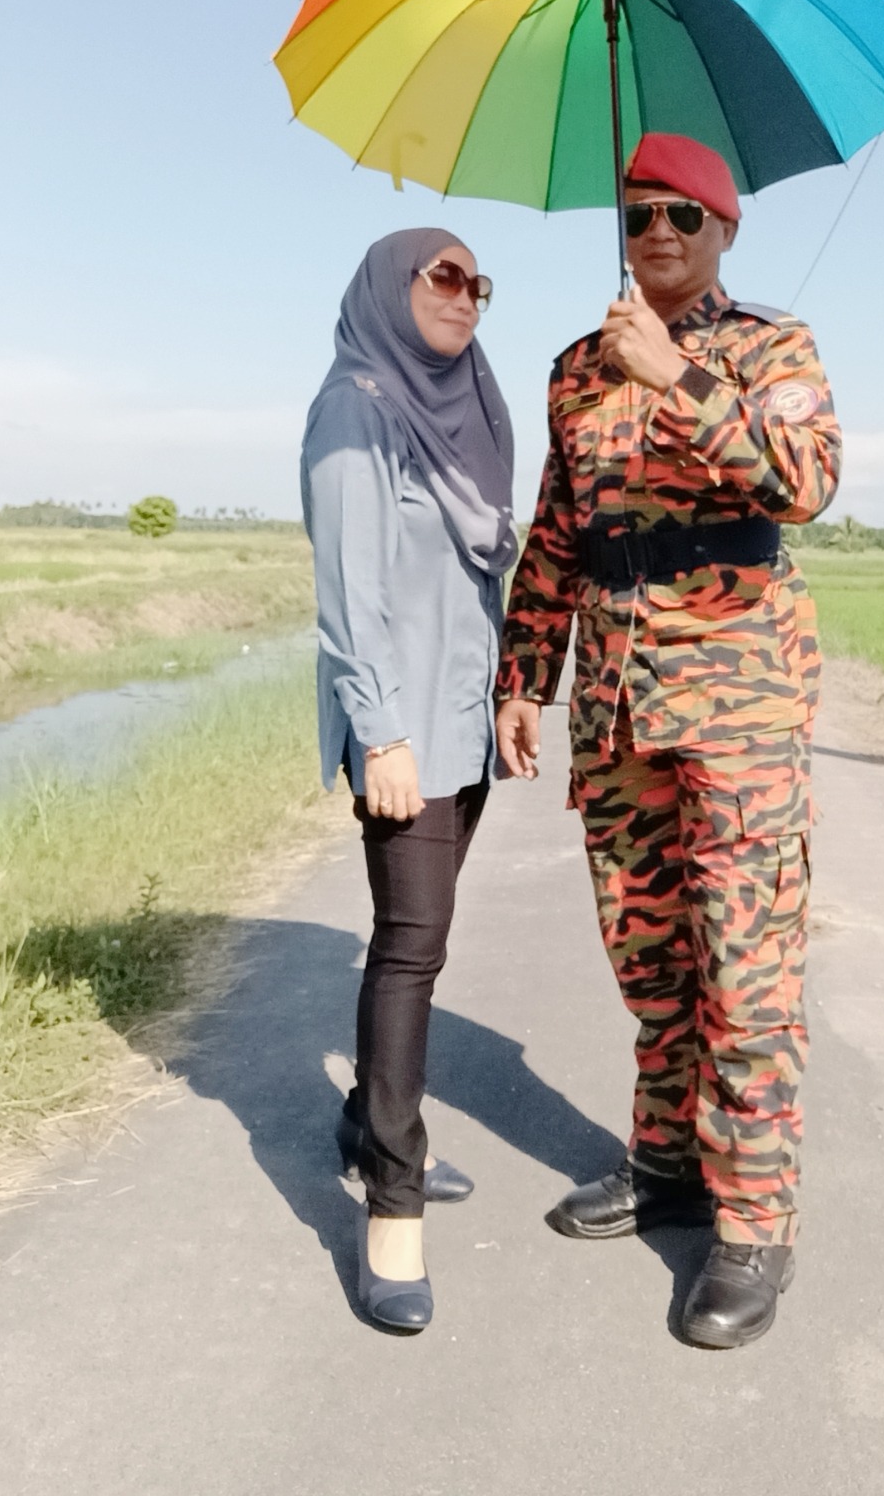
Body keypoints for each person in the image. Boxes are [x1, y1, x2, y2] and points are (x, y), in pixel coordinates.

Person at [496, 132, 841, 1349]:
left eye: (681, 216)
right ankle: (670, 1168)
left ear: (723, 231)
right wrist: (524, 675)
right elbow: (557, 532)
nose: (656, 232)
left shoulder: (770, 349)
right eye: (639, 213)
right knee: (651, 961)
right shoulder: (576, 371)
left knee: (744, 970)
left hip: (740, 703)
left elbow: (806, 483)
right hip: (618, 706)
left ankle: (754, 1224)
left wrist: (680, 378)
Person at [301, 227, 516, 1333]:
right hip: (405, 736)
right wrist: (381, 735)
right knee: (411, 949)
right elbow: (350, 594)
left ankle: (365, 1118)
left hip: (462, 726)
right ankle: (393, 1202)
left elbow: (482, 579)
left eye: (480, 283)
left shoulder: (471, 406)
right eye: (444, 276)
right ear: (392, 287)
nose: (465, 296)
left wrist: (512, 698)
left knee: (414, 942)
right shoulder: (359, 408)